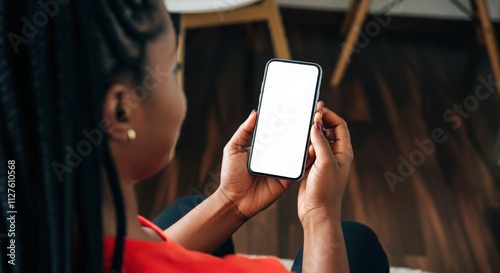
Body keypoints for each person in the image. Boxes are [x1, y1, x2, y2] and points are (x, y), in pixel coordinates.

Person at [0, 1, 388, 272]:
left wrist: (231, 202)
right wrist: (321, 217)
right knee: (355, 242)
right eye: (172, 69)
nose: (178, 85)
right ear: (120, 112)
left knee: (189, 207)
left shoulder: (29, 225)